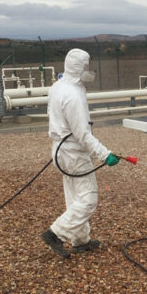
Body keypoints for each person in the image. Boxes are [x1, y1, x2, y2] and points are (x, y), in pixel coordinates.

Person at [41, 48, 119, 258]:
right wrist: (105, 154)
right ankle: (55, 233)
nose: (89, 71)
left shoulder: (58, 86)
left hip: (60, 150)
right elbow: (83, 134)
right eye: (86, 67)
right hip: (74, 153)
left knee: (75, 195)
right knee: (88, 199)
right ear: (78, 68)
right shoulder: (73, 95)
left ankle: (80, 240)